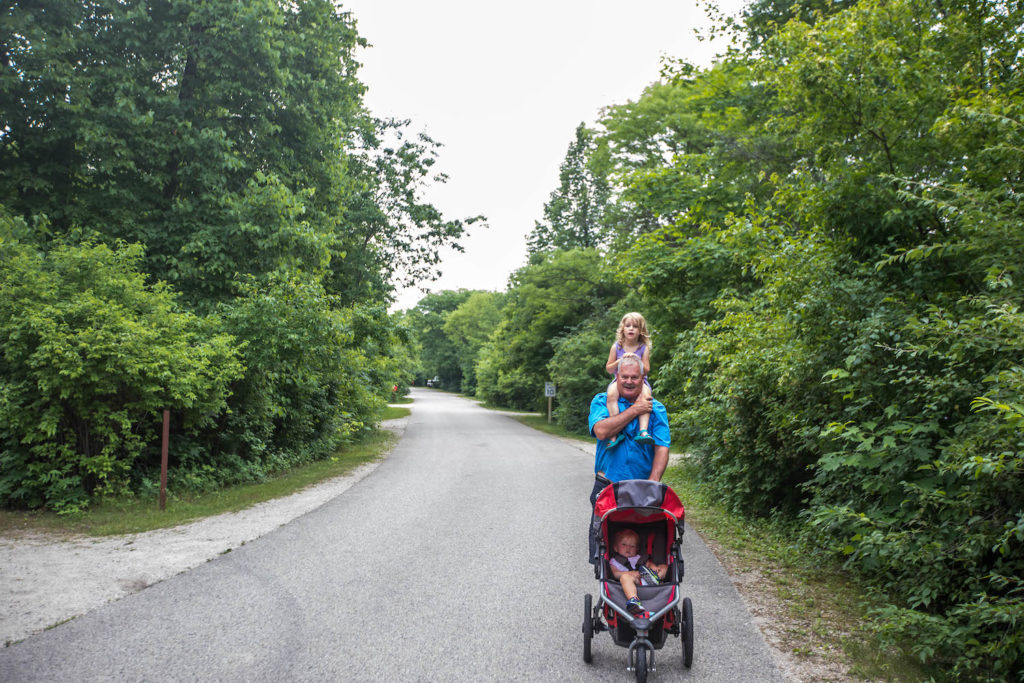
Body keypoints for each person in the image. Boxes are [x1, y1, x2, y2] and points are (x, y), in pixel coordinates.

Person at [588, 354, 671, 563]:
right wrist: (636, 410)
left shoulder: (657, 408)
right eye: (624, 376)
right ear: (617, 376)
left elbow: (662, 447)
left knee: (641, 548)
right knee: (605, 554)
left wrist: (654, 481)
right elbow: (601, 431)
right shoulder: (602, 401)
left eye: (634, 377)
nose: (629, 381)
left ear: (643, 378)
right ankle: (610, 590)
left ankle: (640, 588)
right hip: (607, 487)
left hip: (641, 489)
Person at [604, 313, 654, 447]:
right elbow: (609, 368)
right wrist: (621, 360)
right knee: (611, 395)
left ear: (641, 331)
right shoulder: (617, 347)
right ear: (623, 329)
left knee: (646, 396)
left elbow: (647, 369)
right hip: (619, 380)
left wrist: (636, 360)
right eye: (628, 326)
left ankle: (643, 431)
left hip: (640, 381)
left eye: (635, 326)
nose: (631, 329)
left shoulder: (643, 348)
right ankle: (615, 432)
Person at [608, 529, 669, 614]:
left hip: (646, 580)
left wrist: (653, 567)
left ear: (637, 549)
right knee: (625, 577)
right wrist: (629, 573)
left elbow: (648, 563)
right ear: (615, 548)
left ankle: (655, 577)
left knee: (664, 567)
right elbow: (614, 573)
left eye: (632, 546)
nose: (628, 548)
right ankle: (634, 599)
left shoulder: (639, 557)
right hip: (632, 582)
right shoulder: (614, 561)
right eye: (624, 544)